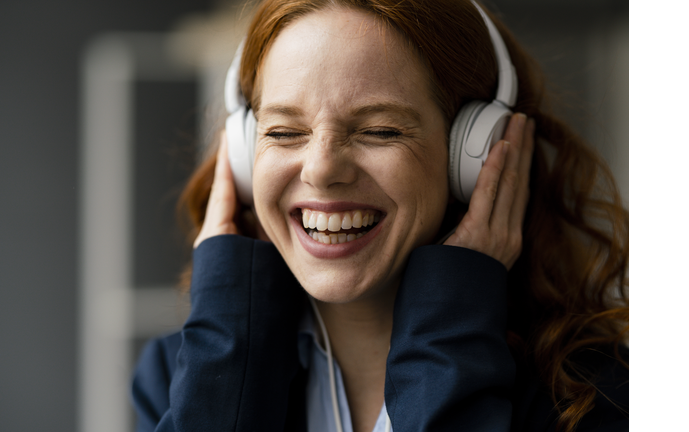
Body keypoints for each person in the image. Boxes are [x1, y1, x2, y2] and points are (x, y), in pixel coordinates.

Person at [131, 1, 629, 431]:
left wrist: (450, 334)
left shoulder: (597, 393)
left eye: (382, 131)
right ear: (243, 156)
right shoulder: (178, 376)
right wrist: (226, 370)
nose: (322, 170)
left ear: (474, 154)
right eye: (283, 132)